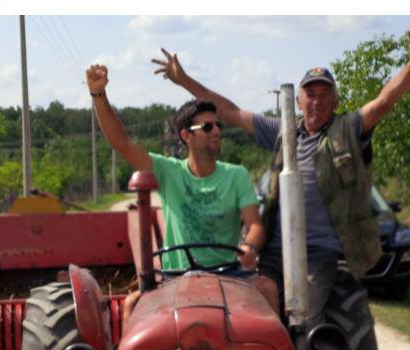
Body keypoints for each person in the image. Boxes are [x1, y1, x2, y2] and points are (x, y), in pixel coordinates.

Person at [153, 18, 410, 350]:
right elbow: (228, 109)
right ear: (299, 101)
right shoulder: (281, 133)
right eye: (310, 95)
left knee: (301, 326)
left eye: (324, 95)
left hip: (318, 255)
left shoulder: (348, 129)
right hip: (273, 251)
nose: (316, 102)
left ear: (334, 101)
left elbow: (383, 101)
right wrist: (185, 81)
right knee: (234, 314)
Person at [85, 63, 279, 316]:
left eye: (218, 125)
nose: (217, 131)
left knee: (267, 288)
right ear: (186, 135)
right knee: (132, 304)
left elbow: (254, 226)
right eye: (207, 127)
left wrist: (250, 248)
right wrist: (98, 95)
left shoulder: (236, 175)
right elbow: (122, 144)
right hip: (175, 277)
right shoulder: (168, 171)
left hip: (229, 273)